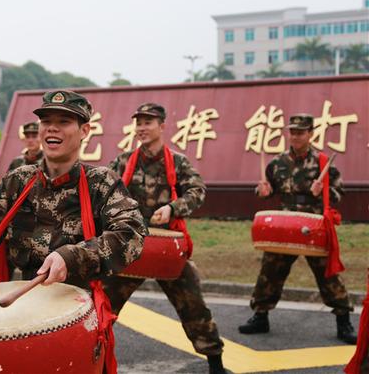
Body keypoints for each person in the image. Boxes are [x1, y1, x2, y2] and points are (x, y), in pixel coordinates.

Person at [0, 90, 145, 372]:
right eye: (46, 121)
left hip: (79, 310)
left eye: (64, 121)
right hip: (24, 307)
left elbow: (132, 235)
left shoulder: (100, 183)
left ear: (84, 131)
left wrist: (72, 256)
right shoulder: (18, 180)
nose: (52, 128)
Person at [105, 103, 225, 374]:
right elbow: (102, 192)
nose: (142, 128)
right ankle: (93, 360)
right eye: (139, 122)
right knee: (103, 305)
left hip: (167, 248)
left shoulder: (178, 162)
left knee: (193, 304)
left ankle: (215, 362)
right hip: (130, 246)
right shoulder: (123, 161)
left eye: (148, 122)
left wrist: (173, 208)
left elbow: (198, 191)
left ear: (162, 126)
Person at [238, 113, 357, 345]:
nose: (295, 136)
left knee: (328, 274)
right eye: (292, 132)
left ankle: (344, 321)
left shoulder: (323, 162)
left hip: (314, 227)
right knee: (270, 270)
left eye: (300, 132)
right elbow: (267, 189)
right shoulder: (278, 163)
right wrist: (261, 191)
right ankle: (261, 315)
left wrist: (323, 191)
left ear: (311, 134)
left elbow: (339, 194)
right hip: (285, 225)